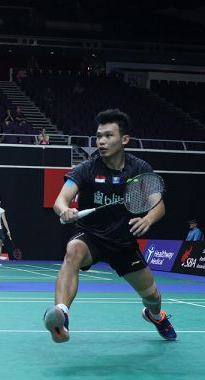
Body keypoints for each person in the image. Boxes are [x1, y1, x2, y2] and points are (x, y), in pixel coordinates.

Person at [44, 109, 176, 343]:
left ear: (124, 139)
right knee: (73, 250)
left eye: (108, 136)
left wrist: (147, 219)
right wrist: (65, 210)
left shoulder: (139, 168)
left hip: (123, 242)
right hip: (91, 236)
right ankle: (61, 316)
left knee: (152, 297)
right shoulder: (87, 168)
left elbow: (159, 205)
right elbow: (60, 200)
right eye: (98, 136)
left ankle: (155, 316)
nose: (101, 141)